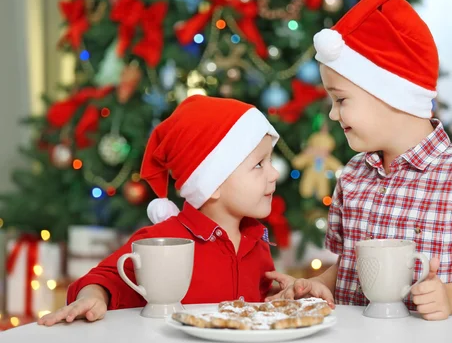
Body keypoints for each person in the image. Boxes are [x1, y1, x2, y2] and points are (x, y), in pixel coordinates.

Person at [267, 0, 452, 323]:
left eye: (341, 100)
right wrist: (315, 285)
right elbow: (350, 266)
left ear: (390, 93)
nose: (333, 114)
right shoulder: (354, 175)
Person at [39, 95, 280, 326]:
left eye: (270, 160)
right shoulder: (162, 242)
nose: (274, 174)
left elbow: (259, 306)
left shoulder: (256, 241)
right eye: (259, 164)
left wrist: (284, 292)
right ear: (212, 183)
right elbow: (103, 278)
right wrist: (93, 297)